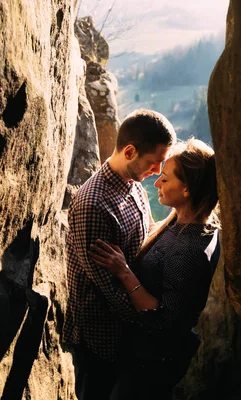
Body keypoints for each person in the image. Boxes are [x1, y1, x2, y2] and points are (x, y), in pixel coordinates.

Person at [89, 138, 221, 400]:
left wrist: (124, 273)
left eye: (166, 179)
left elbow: (165, 321)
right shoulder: (179, 224)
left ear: (186, 190)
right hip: (143, 356)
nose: (157, 182)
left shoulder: (190, 250)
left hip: (152, 364)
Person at [62, 109, 177, 400]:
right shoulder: (94, 205)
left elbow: (147, 234)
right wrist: (153, 320)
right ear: (129, 151)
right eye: (154, 163)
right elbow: (108, 289)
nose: (157, 172)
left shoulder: (133, 185)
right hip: (101, 335)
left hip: (128, 326)